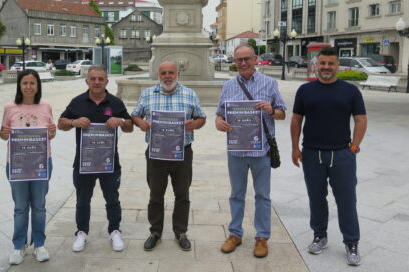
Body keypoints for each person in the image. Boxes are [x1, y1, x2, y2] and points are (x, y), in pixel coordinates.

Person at [290, 47, 367, 266]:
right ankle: (319, 236)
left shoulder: (350, 91)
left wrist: (353, 148)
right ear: (316, 64)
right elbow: (296, 120)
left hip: (342, 154)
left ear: (337, 66)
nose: (326, 67)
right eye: (322, 63)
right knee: (316, 198)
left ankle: (351, 242)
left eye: (330, 63)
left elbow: (360, 119)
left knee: (346, 200)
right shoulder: (305, 90)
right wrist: (295, 148)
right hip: (312, 153)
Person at [215, 43, 286, 258]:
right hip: (236, 151)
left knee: (262, 195)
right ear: (234, 62)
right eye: (239, 60)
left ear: (255, 59)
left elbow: (282, 113)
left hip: (261, 150)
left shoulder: (270, 83)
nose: (243, 63)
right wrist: (219, 122)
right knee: (236, 194)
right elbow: (219, 114)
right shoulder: (227, 86)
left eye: (247, 59)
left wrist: (271, 110)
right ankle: (235, 234)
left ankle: (262, 237)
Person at [131, 61, 206, 252]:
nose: (167, 76)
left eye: (171, 72)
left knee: (182, 194)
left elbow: (202, 117)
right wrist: (141, 123)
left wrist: (195, 124)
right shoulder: (148, 94)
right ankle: (155, 232)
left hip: (182, 153)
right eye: (163, 73)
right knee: (156, 195)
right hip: (156, 154)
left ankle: (181, 232)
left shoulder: (189, 93)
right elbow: (135, 115)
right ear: (158, 75)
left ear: (177, 74)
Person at [58, 65, 133, 252]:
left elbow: (131, 125)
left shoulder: (115, 103)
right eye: (93, 79)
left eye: (101, 79)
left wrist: (121, 121)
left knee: (112, 198)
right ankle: (82, 232)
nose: (97, 82)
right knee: (83, 199)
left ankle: (114, 230)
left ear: (107, 82)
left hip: (109, 162)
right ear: (87, 81)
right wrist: (73, 122)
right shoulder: (77, 102)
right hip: (84, 162)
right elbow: (61, 123)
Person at [0, 69, 57, 265]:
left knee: (39, 206)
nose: (29, 87)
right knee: (20, 207)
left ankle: (39, 244)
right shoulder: (10, 107)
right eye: (25, 83)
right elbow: (3, 134)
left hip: (41, 162)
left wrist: (53, 131)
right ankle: (19, 245)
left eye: (33, 83)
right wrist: (4, 132)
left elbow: (50, 134)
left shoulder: (46, 105)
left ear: (38, 85)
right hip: (17, 163)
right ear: (19, 86)